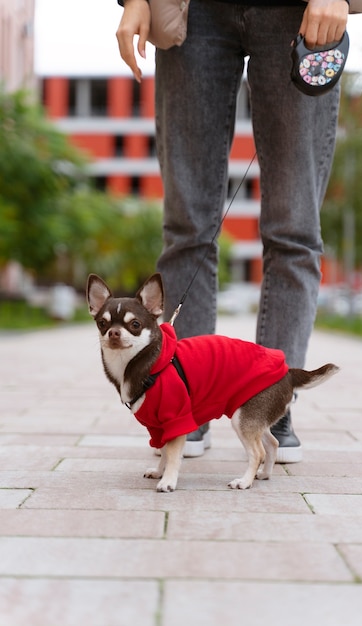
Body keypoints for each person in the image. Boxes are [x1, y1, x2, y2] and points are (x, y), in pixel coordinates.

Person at [116, 0, 349, 461]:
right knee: (187, 227)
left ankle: (273, 402)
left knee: (295, 230)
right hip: (192, 13)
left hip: (297, 10)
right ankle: (182, 402)